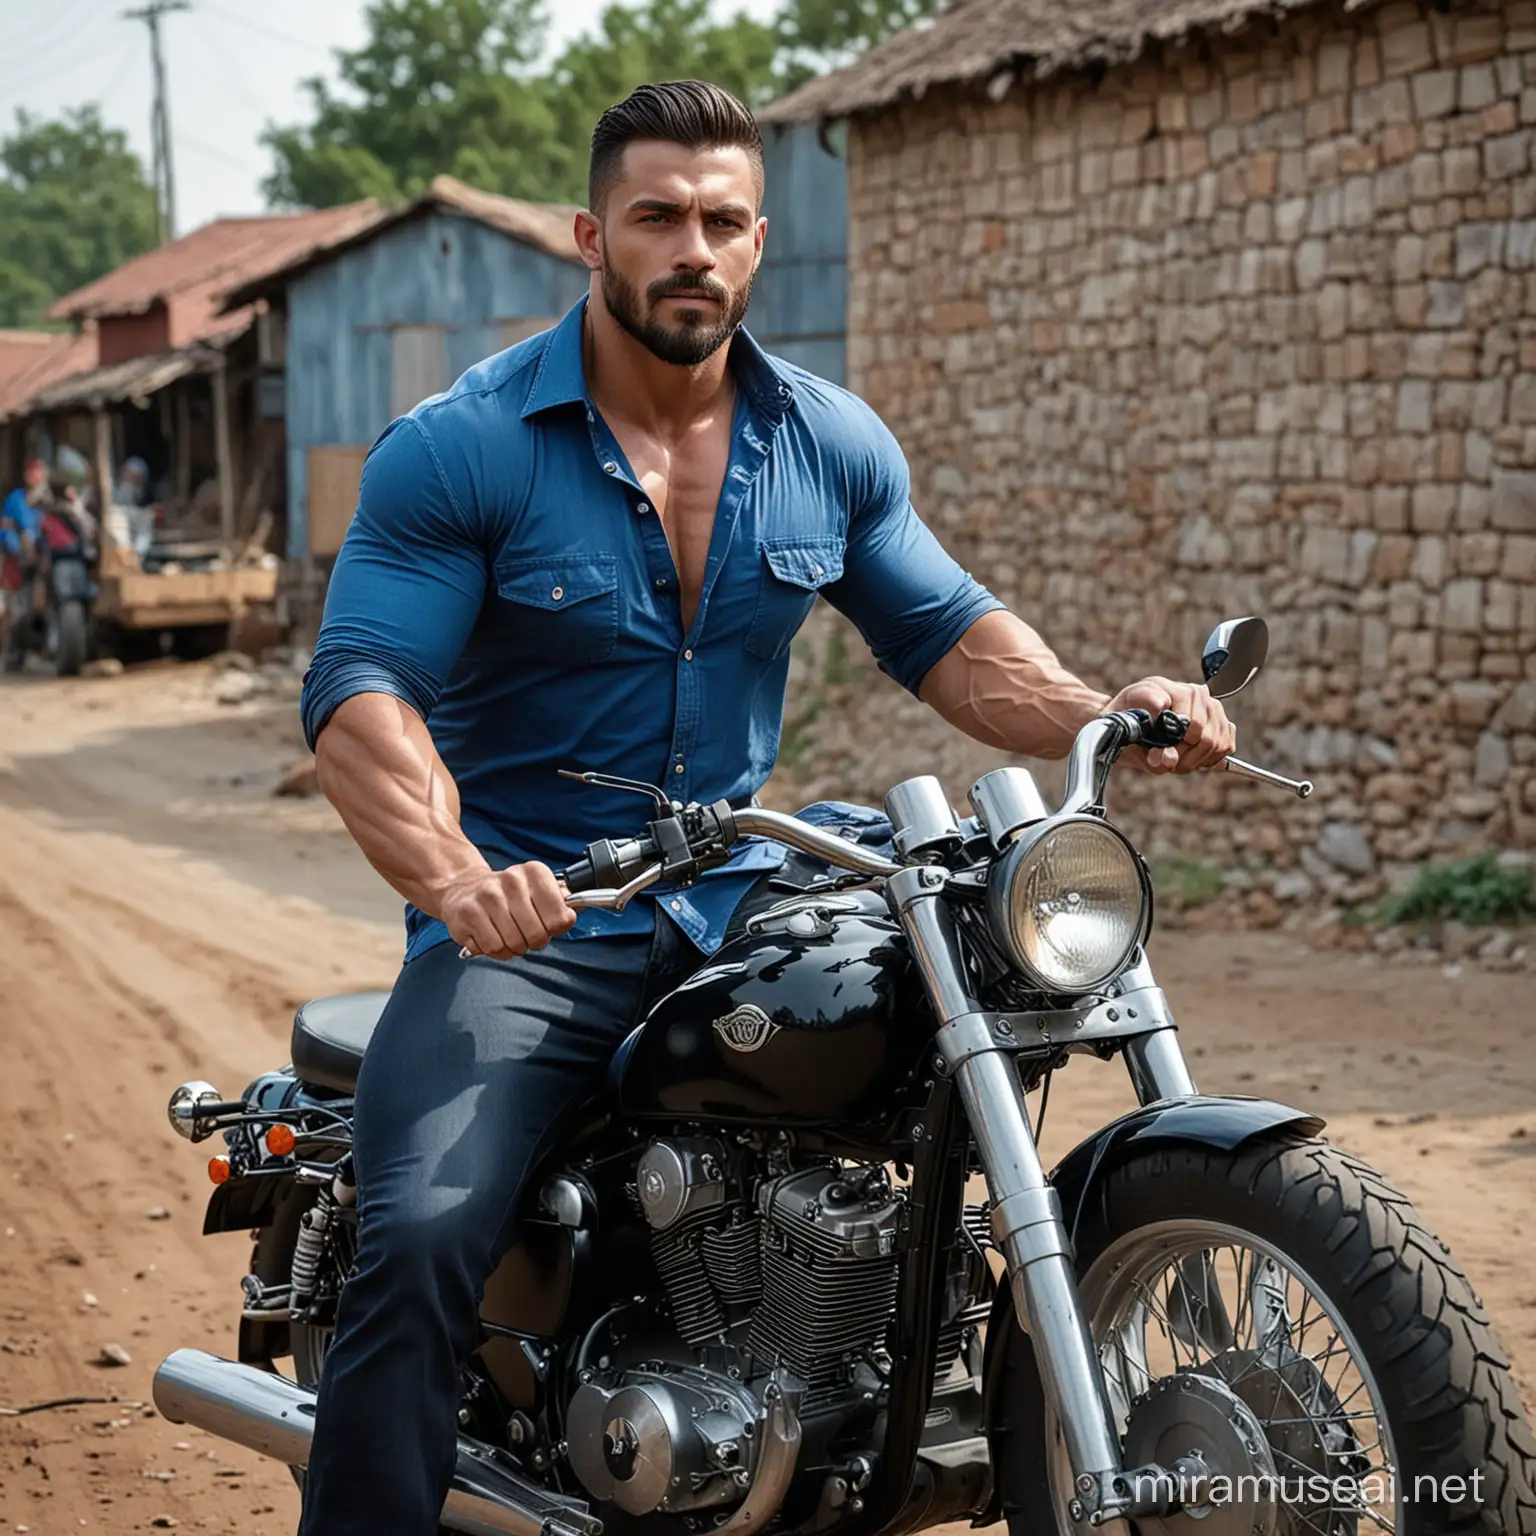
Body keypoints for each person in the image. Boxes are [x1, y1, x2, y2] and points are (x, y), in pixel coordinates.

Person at [296, 80, 1237, 1535]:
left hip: (742, 877)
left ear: (758, 241)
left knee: (960, 972)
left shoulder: (828, 441)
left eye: (722, 220)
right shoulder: (463, 446)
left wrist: (1104, 711)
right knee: (420, 1234)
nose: (694, 249)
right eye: (658, 217)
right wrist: (456, 873)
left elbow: (955, 641)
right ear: (589, 235)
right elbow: (366, 695)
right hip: (543, 915)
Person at [1, 457, 49, 668]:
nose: (36, 475)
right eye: (32, 471)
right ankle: (12, 655)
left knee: (36, 609)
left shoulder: (46, 501)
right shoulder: (15, 500)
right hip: (17, 562)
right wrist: (17, 549)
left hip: (39, 563)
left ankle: (35, 652)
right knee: (16, 609)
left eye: (39, 471)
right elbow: (6, 529)